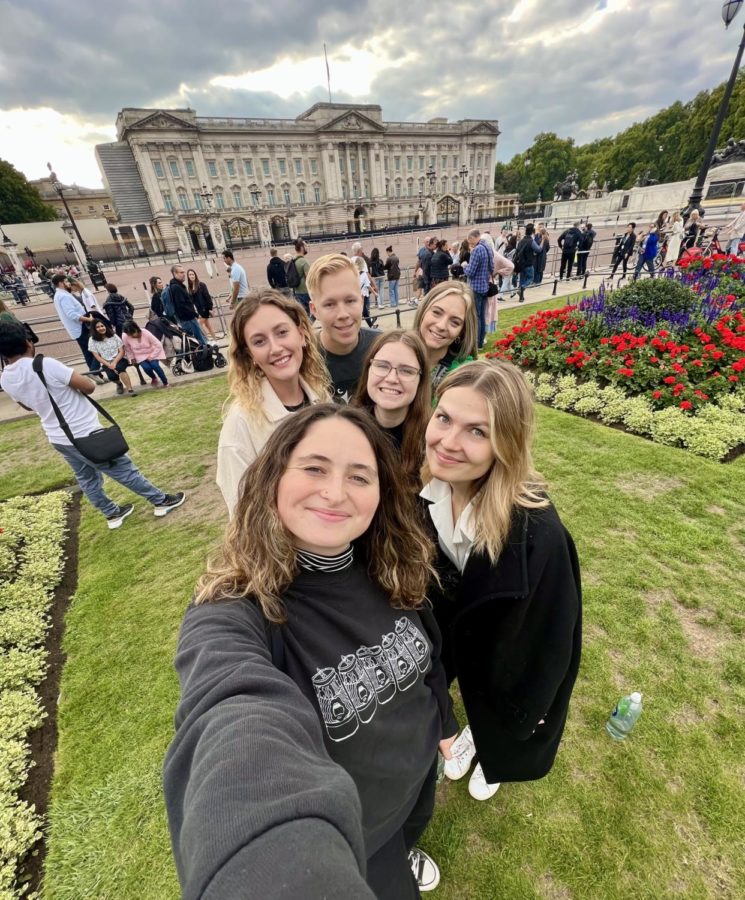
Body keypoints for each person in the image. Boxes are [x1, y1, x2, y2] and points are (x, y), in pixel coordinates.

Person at [164, 404, 457, 898]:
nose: (336, 492)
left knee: (411, 827)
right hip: (349, 833)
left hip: (417, 781)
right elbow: (231, 716)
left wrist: (445, 724)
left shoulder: (389, 562)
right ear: (273, 475)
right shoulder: (238, 610)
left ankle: (408, 845)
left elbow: (428, 656)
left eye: (359, 477)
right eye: (315, 468)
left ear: (380, 493)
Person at [420, 359, 582, 803]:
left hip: (506, 655)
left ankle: (491, 752)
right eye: (444, 418)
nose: (448, 443)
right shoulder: (426, 494)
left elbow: (553, 634)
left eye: (477, 431)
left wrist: (532, 710)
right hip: (457, 645)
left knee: (502, 728)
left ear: (505, 444)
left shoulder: (538, 534)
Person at [0, 322, 186, 529]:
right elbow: (88, 387)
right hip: (85, 432)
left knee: (86, 478)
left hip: (58, 437)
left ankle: (112, 514)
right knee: (124, 470)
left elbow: (27, 406)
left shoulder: (6, 378)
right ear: (27, 343)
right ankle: (160, 501)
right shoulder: (46, 364)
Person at [216, 289, 330, 517]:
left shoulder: (321, 397)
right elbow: (244, 518)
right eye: (259, 341)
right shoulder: (241, 426)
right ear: (250, 356)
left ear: (302, 334)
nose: (275, 348)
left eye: (281, 332)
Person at [352, 329, 431, 488]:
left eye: (406, 371)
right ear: (368, 370)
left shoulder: (431, 438)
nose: (392, 378)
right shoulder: (347, 428)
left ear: (420, 381)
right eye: (382, 366)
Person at [307, 253, 378, 402]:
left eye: (350, 300)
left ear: (361, 300)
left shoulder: (382, 348)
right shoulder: (302, 357)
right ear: (314, 310)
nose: (343, 314)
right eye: (330, 304)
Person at [413, 281, 478, 388]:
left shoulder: (465, 378)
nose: (441, 326)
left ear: (462, 331)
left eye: (455, 322)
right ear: (423, 311)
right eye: (437, 312)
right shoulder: (393, 356)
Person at [51, 273, 101, 374]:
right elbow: (72, 315)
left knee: (88, 352)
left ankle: (95, 374)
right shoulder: (64, 296)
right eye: (66, 281)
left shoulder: (59, 295)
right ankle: (94, 372)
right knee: (97, 348)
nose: (68, 283)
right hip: (80, 328)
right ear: (60, 283)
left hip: (76, 329)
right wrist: (89, 320)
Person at [88, 320, 136, 396]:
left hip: (119, 358)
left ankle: (130, 390)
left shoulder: (113, 336)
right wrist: (109, 364)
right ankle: (119, 383)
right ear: (94, 329)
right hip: (106, 361)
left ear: (105, 326)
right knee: (112, 376)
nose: (101, 328)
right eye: (97, 327)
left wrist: (114, 362)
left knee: (120, 368)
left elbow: (121, 351)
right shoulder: (92, 340)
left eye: (102, 326)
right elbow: (97, 356)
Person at [463, 228, 491, 349]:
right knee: (482, 316)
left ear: (474, 237)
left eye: (470, 241)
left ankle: (476, 343)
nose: (470, 244)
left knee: (476, 317)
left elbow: (470, 272)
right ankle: (480, 342)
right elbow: (492, 267)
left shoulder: (477, 250)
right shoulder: (488, 247)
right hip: (485, 286)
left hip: (475, 287)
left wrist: (464, 266)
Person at [122, 320, 169, 389]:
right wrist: (132, 358)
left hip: (152, 352)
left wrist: (152, 356)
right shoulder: (125, 336)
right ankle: (153, 377)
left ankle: (166, 383)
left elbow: (158, 345)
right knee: (146, 368)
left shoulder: (145, 332)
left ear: (136, 329)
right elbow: (128, 349)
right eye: (129, 334)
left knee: (155, 366)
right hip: (139, 355)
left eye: (132, 333)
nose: (131, 336)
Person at [168, 265, 208, 345]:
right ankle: (205, 355)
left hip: (187, 319)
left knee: (198, 340)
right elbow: (182, 306)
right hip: (188, 320)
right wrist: (195, 314)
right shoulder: (176, 287)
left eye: (184, 272)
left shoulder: (178, 286)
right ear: (175, 274)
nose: (184, 274)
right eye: (181, 272)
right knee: (199, 342)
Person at [187, 268, 217, 340]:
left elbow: (207, 296)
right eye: (190, 275)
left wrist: (210, 308)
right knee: (207, 325)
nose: (191, 276)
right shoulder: (190, 287)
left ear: (195, 275)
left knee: (199, 325)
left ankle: (206, 340)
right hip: (198, 309)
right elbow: (192, 300)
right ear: (188, 277)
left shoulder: (201, 285)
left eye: (193, 274)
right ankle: (215, 340)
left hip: (205, 308)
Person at [514, 224, 540, 297]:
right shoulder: (531, 241)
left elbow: (517, 251)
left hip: (521, 264)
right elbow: (538, 249)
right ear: (532, 232)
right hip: (528, 263)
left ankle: (521, 296)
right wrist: (543, 241)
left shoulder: (521, 241)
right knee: (530, 278)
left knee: (522, 280)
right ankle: (522, 288)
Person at [355, 256, 377, 328]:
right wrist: (374, 293)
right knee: (364, 311)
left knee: (364, 311)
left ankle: (371, 324)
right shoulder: (363, 274)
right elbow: (368, 285)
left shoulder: (353, 274)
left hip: (356, 295)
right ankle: (369, 325)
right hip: (363, 295)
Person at [291, 238, 311, 314]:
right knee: (311, 314)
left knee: (302, 314)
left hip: (296, 291)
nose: (307, 247)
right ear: (302, 248)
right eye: (306, 246)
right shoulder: (303, 262)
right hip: (305, 292)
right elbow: (309, 278)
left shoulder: (293, 260)